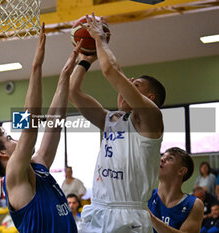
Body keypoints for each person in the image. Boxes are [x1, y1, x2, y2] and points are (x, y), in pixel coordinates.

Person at [0, 23, 81, 233]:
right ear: (2, 153)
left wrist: (65, 74)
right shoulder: (14, 174)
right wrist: (36, 66)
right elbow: (31, 120)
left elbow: (55, 122)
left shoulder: (38, 167)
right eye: (10, 139)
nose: (17, 140)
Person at [69, 13, 166, 233]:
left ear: (149, 98)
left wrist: (100, 42)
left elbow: (110, 71)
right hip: (98, 210)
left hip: (128, 214)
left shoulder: (151, 117)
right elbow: (73, 93)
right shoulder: (111, 120)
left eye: (136, 85)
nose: (129, 84)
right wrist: (85, 59)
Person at [148, 147, 204, 232]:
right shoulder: (146, 195)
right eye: (162, 156)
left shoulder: (193, 204)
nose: (162, 159)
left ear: (181, 171)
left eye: (170, 158)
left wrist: (151, 218)